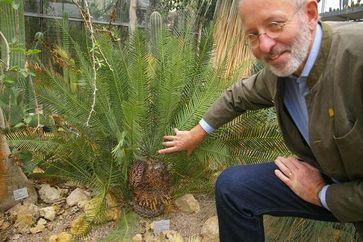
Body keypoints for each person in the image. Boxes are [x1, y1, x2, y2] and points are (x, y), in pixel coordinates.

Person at [158, 0, 363, 241]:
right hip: (325, 179)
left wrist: (321, 194)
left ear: (309, 13)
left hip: (341, 193)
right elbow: (238, 95)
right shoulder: (280, 73)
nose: (265, 45)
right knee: (234, 188)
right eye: (253, 35)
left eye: (275, 24)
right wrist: (196, 133)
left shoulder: (355, 56)